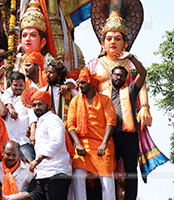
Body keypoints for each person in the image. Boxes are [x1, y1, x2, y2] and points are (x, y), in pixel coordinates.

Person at [87, 1, 168, 184]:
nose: (113, 42)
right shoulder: (93, 65)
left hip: (126, 120)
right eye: (109, 39)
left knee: (127, 169)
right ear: (102, 42)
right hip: (101, 122)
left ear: (125, 42)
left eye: (117, 38)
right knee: (105, 166)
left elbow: (141, 82)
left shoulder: (130, 64)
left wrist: (145, 107)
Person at [67, 67, 117, 200]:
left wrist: (104, 144)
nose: (80, 85)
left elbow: (111, 122)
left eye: (82, 83)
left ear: (90, 84)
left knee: (107, 180)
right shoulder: (75, 101)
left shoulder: (104, 100)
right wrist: (78, 144)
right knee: (78, 175)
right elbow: (70, 125)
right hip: (82, 145)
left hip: (103, 145)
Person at [103, 61, 146, 199]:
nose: (118, 78)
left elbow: (143, 73)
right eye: (116, 75)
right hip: (111, 137)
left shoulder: (131, 90)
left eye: (121, 76)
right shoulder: (104, 94)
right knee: (110, 169)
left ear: (125, 78)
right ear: (111, 76)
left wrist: (131, 57)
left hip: (129, 137)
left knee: (130, 171)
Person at [20, 91, 72, 200]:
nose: (36, 107)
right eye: (34, 105)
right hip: (42, 173)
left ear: (48, 105)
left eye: (40, 104)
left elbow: (57, 142)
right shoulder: (41, 122)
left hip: (56, 173)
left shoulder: (52, 119)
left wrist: (38, 160)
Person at [1, 72, 35, 160]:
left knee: (29, 163)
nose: (18, 88)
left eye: (21, 85)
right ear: (10, 84)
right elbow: (6, 98)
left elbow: (33, 117)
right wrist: (10, 108)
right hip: (9, 139)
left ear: (25, 84)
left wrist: (33, 133)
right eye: (15, 85)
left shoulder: (28, 97)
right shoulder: (8, 94)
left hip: (24, 140)